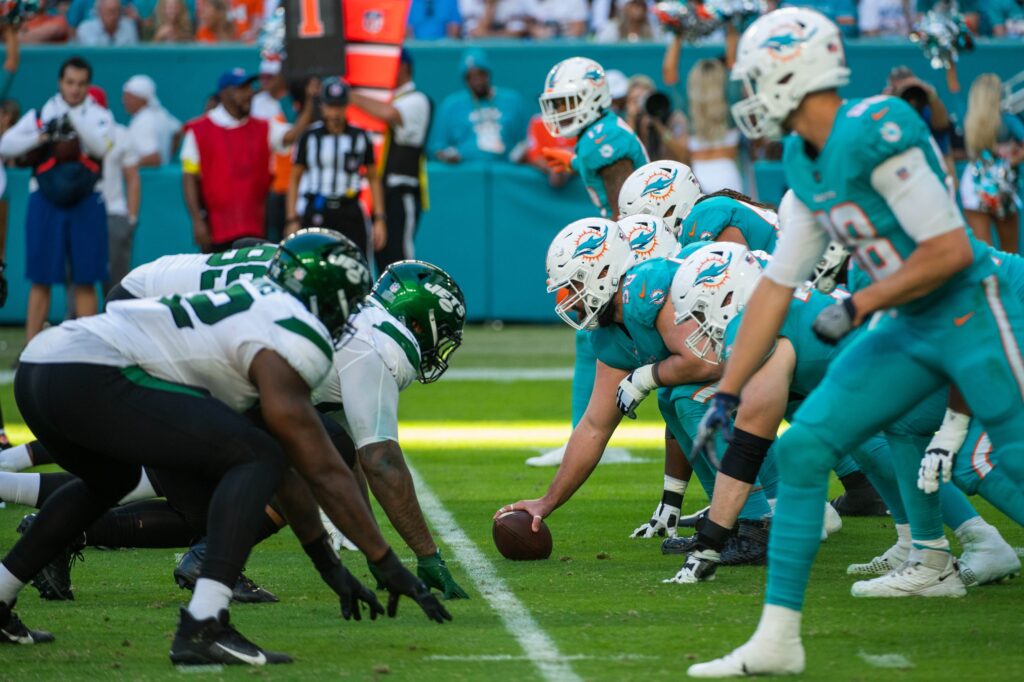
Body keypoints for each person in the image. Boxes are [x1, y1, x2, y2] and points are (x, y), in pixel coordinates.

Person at [687, 9, 1024, 676]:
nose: (750, 94)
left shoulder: (877, 129)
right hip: (907, 323)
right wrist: (727, 392)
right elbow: (778, 286)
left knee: (1008, 459)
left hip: (973, 310)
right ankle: (778, 641)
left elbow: (951, 250)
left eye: (758, 77)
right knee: (806, 444)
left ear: (793, 71)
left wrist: (859, 301)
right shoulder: (799, 156)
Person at [0, 232, 451, 658]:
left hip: (46, 362)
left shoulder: (260, 299)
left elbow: (295, 468)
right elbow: (314, 467)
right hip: (89, 371)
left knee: (118, 483)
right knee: (256, 458)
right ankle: (203, 626)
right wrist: (384, 559)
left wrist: (330, 568)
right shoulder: (299, 334)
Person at [528, 57, 648, 468]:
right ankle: (584, 435)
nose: (559, 113)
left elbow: (627, 213)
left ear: (592, 97)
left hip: (644, 247)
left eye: (567, 102)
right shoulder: (598, 135)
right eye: (555, 104)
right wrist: (574, 162)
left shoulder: (603, 142)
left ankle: (585, 437)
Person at [0, 56, 113, 342]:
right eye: (70, 83)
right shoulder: (42, 114)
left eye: (81, 84)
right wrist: (43, 134)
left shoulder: (99, 115)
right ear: (60, 83)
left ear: (88, 86)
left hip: (86, 200)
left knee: (85, 279)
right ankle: (31, 349)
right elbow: (6, 145)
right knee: (41, 279)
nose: (75, 89)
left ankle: (87, 349)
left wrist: (72, 119)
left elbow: (102, 146)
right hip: (46, 199)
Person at [181, 67, 316, 252]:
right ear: (225, 93)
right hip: (216, 229)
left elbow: (291, 136)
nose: (250, 93)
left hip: (256, 227)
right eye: (242, 89)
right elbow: (189, 177)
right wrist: (197, 221)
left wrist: (310, 101)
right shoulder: (199, 130)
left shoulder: (263, 127)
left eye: (249, 88)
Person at [350, 50, 433, 272]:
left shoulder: (417, 100)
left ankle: (403, 304)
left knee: (399, 258)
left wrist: (350, 95)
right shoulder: (385, 100)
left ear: (404, 67)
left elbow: (389, 114)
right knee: (379, 256)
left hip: (401, 190)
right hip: (377, 194)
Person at [287, 77, 386, 261]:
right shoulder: (309, 137)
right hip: (318, 207)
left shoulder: (360, 136)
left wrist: (379, 219)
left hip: (349, 209)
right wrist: (292, 218)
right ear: (322, 106)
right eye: (331, 106)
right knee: (312, 264)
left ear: (346, 106)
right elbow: (294, 178)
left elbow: (373, 177)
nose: (335, 112)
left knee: (357, 264)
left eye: (339, 106)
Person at [427, 48, 527, 165]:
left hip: (504, 170)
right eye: (470, 76)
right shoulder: (451, 105)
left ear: (488, 74)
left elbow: (528, 140)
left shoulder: (512, 101)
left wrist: (522, 152)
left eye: (480, 74)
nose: (477, 80)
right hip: (466, 172)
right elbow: (437, 146)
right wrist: (447, 155)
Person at [959, 74, 1023, 253]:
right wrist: (1013, 158)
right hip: (1003, 187)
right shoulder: (1007, 120)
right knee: (1010, 254)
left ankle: (990, 282)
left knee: (985, 254)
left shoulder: (969, 120)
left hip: (973, 187)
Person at [251, 57, 291, 242]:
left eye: (270, 77)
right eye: (263, 77)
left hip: (296, 182)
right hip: (272, 184)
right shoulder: (258, 103)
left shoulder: (293, 100)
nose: (264, 81)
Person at [122, 74, 182, 167]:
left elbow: (153, 158)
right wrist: (167, 156)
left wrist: (127, 166)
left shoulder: (144, 120)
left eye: (129, 97)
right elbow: (178, 130)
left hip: (146, 179)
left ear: (142, 98)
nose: (124, 101)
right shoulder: (161, 114)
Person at [74, 0, 139, 45]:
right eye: (111, 12)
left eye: (118, 11)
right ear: (100, 12)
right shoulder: (85, 29)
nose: (115, 16)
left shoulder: (129, 27)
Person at [460, 0, 528, 37]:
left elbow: (517, 33)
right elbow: (476, 34)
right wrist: (490, 6)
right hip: (477, 52)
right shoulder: (468, 1)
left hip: (508, 52)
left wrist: (488, 35)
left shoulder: (515, 2)